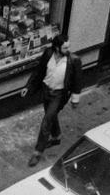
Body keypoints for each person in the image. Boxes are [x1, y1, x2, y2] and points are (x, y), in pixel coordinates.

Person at [24, 35, 82, 167]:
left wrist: (75, 99)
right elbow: (39, 72)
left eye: (68, 46)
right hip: (46, 91)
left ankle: (37, 152)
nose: (68, 49)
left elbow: (78, 81)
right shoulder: (48, 54)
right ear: (57, 47)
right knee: (51, 115)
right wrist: (28, 87)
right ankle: (56, 136)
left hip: (59, 95)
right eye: (65, 47)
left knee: (46, 121)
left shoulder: (74, 60)